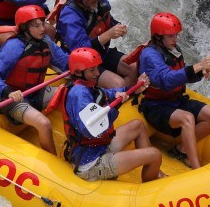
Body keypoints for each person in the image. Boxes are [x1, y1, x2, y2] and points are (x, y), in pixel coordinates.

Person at [58, 47, 162, 182]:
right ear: (78, 72)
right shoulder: (79, 94)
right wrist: (116, 106)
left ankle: (156, 173)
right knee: (154, 154)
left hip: (98, 147)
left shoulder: (88, 86)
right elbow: (92, 130)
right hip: (90, 163)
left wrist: (134, 89)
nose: (97, 73)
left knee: (138, 126)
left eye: (97, 68)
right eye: (92, 70)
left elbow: (111, 93)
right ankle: (152, 189)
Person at [137, 12, 210, 169]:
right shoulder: (149, 54)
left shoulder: (173, 49)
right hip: (156, 106)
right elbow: (166, 80)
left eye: (176, 35)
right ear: (158, 36)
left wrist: (200, 73)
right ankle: (197, 167)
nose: (175, 39)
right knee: (187, 118)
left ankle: (181, 150)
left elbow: (181, 76)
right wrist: (197, 66)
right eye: (170, 36)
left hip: (176, 101)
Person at [0, 5, 69, 155]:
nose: (42, 28)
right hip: (10, 98)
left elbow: (64, 62)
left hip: (34, 93)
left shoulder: (45, 41)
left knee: (70, 94)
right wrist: (7, 91)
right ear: (24, 27)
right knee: (43, 123)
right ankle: (52, 162)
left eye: (42, 23)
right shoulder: (14, 46)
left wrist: (83, 63)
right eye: (36, 26)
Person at [56, 0, 137, 88]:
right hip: (84, 65)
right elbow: (80, 51)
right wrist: (108, 35)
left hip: (101, 53)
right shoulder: (70, 17)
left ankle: (126, 96)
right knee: (118, 84)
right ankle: (113, 98)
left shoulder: (96, 0)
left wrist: (117, 26)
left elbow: (107, 19)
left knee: (134, 68)